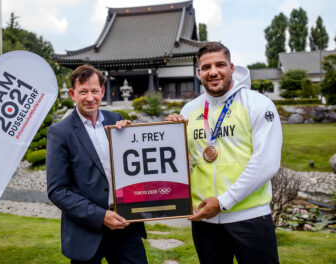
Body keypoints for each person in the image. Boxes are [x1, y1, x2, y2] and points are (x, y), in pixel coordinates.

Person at [165, 42, 282, 263]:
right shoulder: (189, 110)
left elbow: (266, 163)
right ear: (198, 73)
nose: (213, 72)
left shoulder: (257, 104)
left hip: (250, 217)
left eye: (220, 65)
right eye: (206, 67)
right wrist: (170, 133)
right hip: (205, 222)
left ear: (231, 67)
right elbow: (180, 163)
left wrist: (223, 201)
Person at [46, 65, 147, 264]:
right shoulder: (60, 132)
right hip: (87, 230)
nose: (90, 97)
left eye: (94, 91)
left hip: (126, 223)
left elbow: (134, 164)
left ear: (102, 91)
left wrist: (132, 136)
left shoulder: (116, 120)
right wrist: (101, 216)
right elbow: (57, 190)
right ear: (72, 94)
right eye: (83, 92)